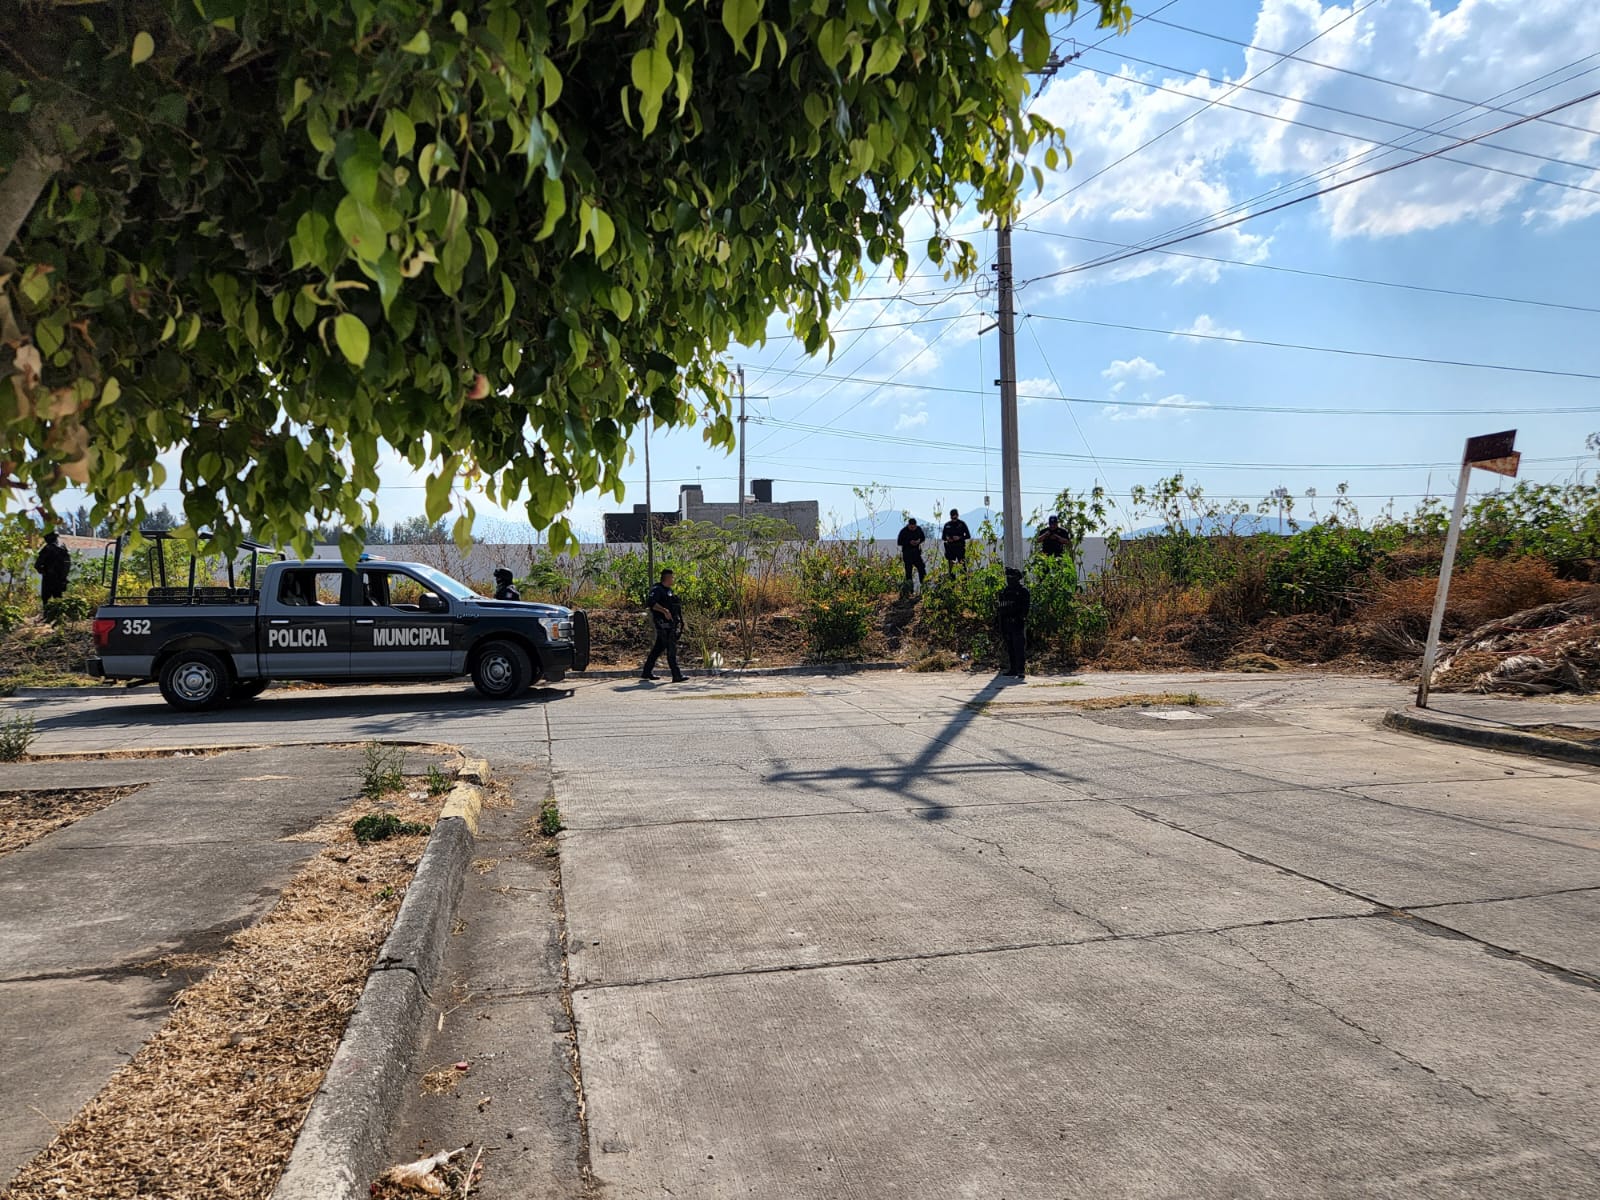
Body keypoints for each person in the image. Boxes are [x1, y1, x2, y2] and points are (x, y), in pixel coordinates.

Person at [640, 568, 687, 682]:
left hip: (671, 624)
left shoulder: (668, 590)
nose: (673, 579)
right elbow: (651, 603)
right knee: (671, 648)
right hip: (663, 625)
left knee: (658, 648)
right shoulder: (657, 589)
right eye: (672, 577)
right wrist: (664, 611)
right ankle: (676, 675)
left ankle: (646, 672)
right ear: (667, 578)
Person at [996, 567, 1030, 680]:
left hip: (1017, 624)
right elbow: (1001, 610)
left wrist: (1019, 618)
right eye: (1008, 578)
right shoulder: (1005, 592)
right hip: (1007, 624)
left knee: (1019, 648)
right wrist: (1000, 626)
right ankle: (1013, 669)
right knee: (1010, 648)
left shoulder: (1023, 592)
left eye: (1011, 578)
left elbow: (1025, 609)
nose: (1009, 580)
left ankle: (1020, 670)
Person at [34, 532, 70, 605]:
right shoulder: (63, 548)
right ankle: (57, 615)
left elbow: (37, 565)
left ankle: (48, 615)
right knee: (58, 600)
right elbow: (67, 564)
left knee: (46, 600)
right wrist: (64, 576)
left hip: (49, 578)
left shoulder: (47, 549)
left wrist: (44, 572)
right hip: (60, 578)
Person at [897, 516, 927, 588]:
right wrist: (909, 542)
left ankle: (924, 586)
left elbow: (923, 538)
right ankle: (910, 589)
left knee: (921, 569)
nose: (913, 529)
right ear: (908, 525)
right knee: (908, 572)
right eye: (911, 527)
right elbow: (899, 542)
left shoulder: (919, 529)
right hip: (907, 554)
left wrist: (918, 541)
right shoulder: (903, 531)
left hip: (917, 554)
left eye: (914, 527)